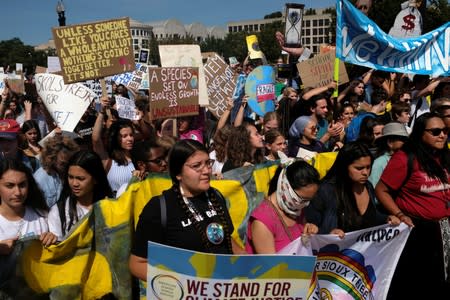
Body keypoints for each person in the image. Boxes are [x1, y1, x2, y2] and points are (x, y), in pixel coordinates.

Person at [129, 140, 242, 281]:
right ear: (178, 174)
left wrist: (250, 264)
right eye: (197, 166)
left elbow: (225, 240)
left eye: (208, 163)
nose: (207, 170)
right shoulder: (159, 208)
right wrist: (180, 283)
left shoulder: (215, 196)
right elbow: (137, 264)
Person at [375, 112, 450, 298]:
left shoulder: (445, 156)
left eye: (445, 130)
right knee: (419, 282)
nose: (442, 135)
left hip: (445, 229)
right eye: (435, 131)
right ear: (420, 133)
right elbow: (381, 190)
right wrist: (400, 215)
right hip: (418, 232)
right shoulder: (405, 158)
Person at [305, 142, 399, 237]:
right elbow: (311, 227)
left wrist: (386, 218)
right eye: (359, 168)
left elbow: (370, 217)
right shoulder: (326, 191)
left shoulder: (368, 186)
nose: (365, 173)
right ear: (344, 167)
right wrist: (328, 233)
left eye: (368, 167)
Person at [246, 158, 320, 254]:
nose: (306, 204)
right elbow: (271, 267)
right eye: (302, 199)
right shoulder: (262, 221)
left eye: (309, 200)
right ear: (286, 188)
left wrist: (310, 231)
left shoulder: (295, 207)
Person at [48, 150, 113, 241]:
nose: (74, 183)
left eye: (81, 179)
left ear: (95, 179)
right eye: (70, 177)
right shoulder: (59, 211)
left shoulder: (111, 206)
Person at [0, 159, 57, 255]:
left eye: (22, 185)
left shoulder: (43, 216)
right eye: (10, 186)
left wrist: (52, 238)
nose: (17, 192)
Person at [93, 99, 136, 197]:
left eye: (131, 135)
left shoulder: (138, 157)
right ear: (116, 138)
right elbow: (96, 139)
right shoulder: (108, 160)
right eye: (124, 136)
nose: (129, 139)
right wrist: (101, 112)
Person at [33, 135, 80, 207]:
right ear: (52, 158)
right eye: (62, 163)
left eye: (69, 162)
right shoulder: (39, 179)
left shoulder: (71, 173)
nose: (67, 167)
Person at [368, 122, 409, 189]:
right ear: (390, 142)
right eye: (402, 139)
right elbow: (373, 188)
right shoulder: (379, 164)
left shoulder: (406, 159)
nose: (405, 143)